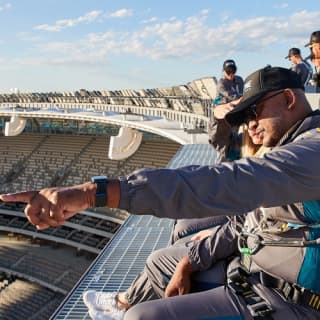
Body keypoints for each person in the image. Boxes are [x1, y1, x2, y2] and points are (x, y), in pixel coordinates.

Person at [1, 66, 320, 320]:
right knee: (166, 258)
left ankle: (128, 304)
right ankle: (126, 301)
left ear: (289, 100)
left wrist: (96, 193)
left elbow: (225, 182)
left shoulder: (310, 154)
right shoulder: (294, 145)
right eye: (245, 116)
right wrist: (191, 260)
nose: (249, 125)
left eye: (255, 112)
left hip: (289, 301)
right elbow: (248, 218)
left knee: (143, 317)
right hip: (258, 273)